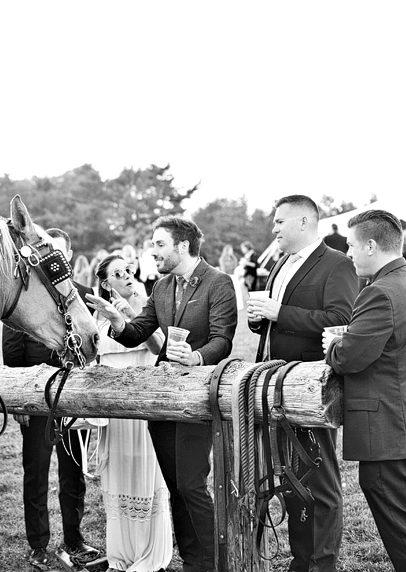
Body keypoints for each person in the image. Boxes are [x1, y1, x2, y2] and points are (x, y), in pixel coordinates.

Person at [88, 216, 237, 572]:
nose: (151, 252)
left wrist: (197, 356)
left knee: (191, 485)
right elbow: (139, 331)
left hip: (196, 399)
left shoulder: (219, 283)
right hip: (162, 401)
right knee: (175, 486)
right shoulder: (161, 287)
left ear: (182, 246)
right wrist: (116, 319)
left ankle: (214, 563)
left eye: (158, 244)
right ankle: (192, 561)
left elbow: (223, 338)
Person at [323, 210, 406, 572]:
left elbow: (350, 358)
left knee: (404, 534)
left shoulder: (379, 291)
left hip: (390, 433)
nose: (347, 253)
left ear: (370, 245)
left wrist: (333, 344)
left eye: (350, 245)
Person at [246, 195, 357, 572]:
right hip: (276, 386)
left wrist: (281, 313)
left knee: (320, 482)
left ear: (306, 221)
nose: (273, 229)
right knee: (290, 477)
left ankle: (322, 564)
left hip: (311, 388)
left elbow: (341, 318)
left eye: (279, 221)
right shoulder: (279, 264)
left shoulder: (337, 264)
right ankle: (301, 558)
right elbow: (274, 320)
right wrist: (260, 319)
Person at [4, 228, 101, 570]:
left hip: (75, 398)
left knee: (73, 473)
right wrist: (19, 402)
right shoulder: (27, 298)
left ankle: (74, 538)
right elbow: (12, 351)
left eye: (58, 254)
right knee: (37, 472)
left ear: (69, 257)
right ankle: (38, 544)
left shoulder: (86, 297)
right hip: (36, 396)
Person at [92, 254, 172, 572]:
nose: (125, 275)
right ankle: (120, 556)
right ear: (106, 282)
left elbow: (158, 348)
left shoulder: (149, 305)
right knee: (119, 478)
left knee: (146, 477)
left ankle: (149, 556)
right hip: (115, 412)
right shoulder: (100, 314)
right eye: (117, 273)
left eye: (128, 269)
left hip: (144, 404)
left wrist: (128, 319)